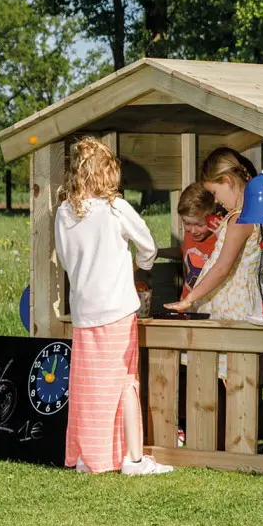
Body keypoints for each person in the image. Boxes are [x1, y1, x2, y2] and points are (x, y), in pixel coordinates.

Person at [53, 137, 174, 475]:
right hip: (117, 311)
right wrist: (141, 267)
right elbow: (148, 245)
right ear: (108, 174)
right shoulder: (116, 209)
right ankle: (133, 458)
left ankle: (87, 457)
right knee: (125, 381)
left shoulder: (64, 212)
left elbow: (65, 259)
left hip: (84, 311)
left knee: (89, 385)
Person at [163, 148, 263, 376]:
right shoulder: (257, 214)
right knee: (233, 374)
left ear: (227, 180)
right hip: (244, 298)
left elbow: (222, 268)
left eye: (215, 192)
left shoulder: (239, 219)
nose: (216, 200)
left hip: (229, 307)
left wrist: (190, 298)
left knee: (223, 371)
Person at [158, 182, 225, 305]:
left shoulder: (220, 239)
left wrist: (221, 236)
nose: (193, 231)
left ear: (215, 217)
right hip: (187, 302)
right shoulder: (190, 234)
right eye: (187, 223)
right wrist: (159, 252)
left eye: (200, 225)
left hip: (210, 304)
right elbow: (184, 251)